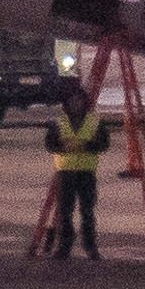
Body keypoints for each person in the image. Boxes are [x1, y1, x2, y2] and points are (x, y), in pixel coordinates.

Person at [35, 80, 108, 260]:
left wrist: (87, 145)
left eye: (78, 100)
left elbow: (104, 144)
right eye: (72, 101)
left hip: (86, 173)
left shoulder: (94, 122)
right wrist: (64, 146)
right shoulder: (59, 124)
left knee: (87, 212)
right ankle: (64, 246)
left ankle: (90, 246)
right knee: (65, 212)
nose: (76, 104)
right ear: (67, 104)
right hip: (65, 174)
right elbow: (50, 144)